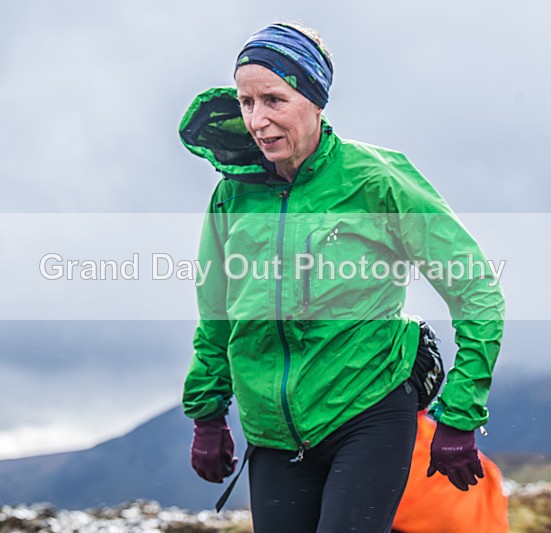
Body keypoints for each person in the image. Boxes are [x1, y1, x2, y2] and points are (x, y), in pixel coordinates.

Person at [179, 22, 505, 532]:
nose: (257, 121)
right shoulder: (232, 196)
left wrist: (461, 412)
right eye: (246, 102)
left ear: (314, 99)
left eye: (274, 100)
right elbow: (217, 314)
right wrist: (207, 411)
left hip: (368, 410)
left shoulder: (374, 179)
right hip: (271, 431)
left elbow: (475, 289)